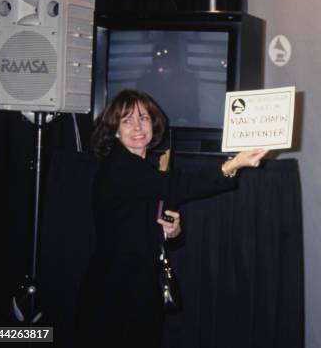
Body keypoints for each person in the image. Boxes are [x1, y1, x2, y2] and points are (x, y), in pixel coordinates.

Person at [76, 89, 266, 346]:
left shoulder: (145, 169)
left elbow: (153, 229)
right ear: (115, 131)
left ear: (153, 124)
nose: (137, 126)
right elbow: (179, 186)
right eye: (127, 120)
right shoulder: (119, 168)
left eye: (143, 118)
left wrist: (172, 232)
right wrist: (232, 165)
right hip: (114, 294)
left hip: (140, 290)